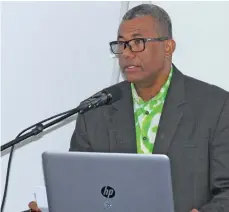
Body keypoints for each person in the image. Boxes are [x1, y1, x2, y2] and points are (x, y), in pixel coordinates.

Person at [29, 3, 229, 212]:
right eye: (122, 44)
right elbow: (79, 188)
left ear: (168, 47)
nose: (126, 53)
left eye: (137, 42)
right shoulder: (95, 111)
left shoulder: (216, 107)